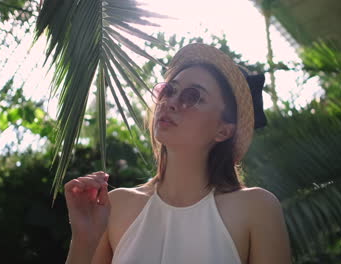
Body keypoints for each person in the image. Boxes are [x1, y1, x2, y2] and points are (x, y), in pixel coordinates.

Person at [64, 43, 292, 264]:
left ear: (223, 130)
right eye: (169, 90)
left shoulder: (256, 208)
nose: (170, 102)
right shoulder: (116, 205)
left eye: (192, 96)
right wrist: (84, 240)